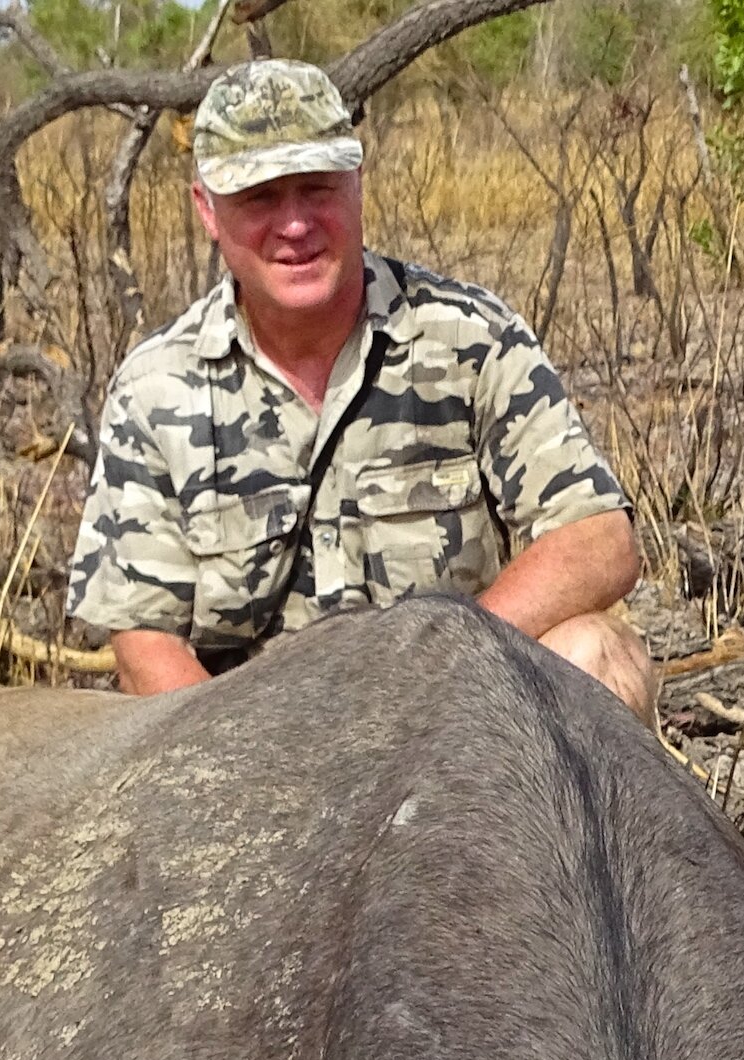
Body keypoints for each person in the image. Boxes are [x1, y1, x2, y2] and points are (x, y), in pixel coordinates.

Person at [65, 58, 657, 718]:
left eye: (316, 187)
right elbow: (143, 640)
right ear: (206, 208)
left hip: (459, 718)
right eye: (259, 196)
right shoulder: (155, 389)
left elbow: (600, 537)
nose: (294, 225)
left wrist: (440, 666)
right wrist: (247, 774)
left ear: (357, 182)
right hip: (257, 756)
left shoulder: (468, 336)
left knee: (596, 651)